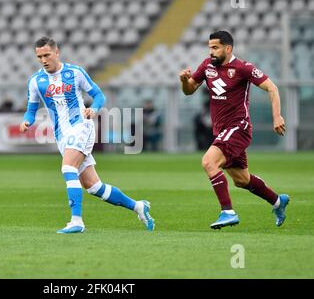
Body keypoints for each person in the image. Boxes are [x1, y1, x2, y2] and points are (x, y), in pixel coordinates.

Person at [20, 37, 155, 233]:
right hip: (61, 134)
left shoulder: (75, 73)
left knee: (68, 168)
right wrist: (27, 121)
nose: (43, 60)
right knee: (93, 186)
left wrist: (94, 109)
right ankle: (138, 206)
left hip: (81, 126)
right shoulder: (36, 81)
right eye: (39, 56)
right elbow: (31, 109)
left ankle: (76, 221)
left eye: (47, 55)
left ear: (57, 53)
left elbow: (99, 95)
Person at [179, 30, 289, 229]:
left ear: (227, 48)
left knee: (208, 161)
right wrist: (184, 81)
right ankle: (278, 201)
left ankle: (227, 212)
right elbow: (189, 90)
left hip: (239, 127)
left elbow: (272, 88)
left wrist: (277, 116)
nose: (211, 52)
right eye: (209, 47)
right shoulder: (207, 66)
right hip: (222, 131)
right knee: (242, 180)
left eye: (215, 47)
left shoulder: (243, 68)